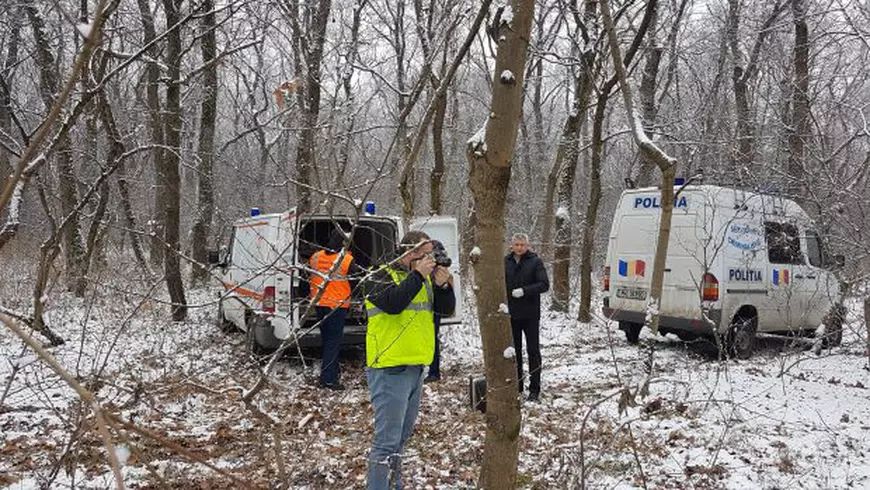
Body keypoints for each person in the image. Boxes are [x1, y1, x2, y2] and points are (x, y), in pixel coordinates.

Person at [362, 230, 455, 490]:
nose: (430, 260)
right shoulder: (377, 274)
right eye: (425, 255)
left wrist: (443, 286)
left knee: (400, 440)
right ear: (409, 253)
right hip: (390, 367)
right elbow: (393, 304)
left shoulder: (422, 279)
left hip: (415, 368)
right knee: (386, 443)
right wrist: (418, 275)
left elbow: (445, 311)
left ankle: (394, 485)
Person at [308, 227, 357, 391]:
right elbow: (356, 282)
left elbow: (307, 277)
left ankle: (331, 372)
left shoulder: (315, 257)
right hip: (337, 306)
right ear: (344, 242)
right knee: (333, 343)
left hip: (319, 304)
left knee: (327, 341)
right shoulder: (346, 260)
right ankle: (329, 379)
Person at [504, 233, 549, 402]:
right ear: (512, 245)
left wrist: (524, 291)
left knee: (533, 351)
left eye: (522, 244)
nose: (519, 247)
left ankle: (534, 389)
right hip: (512, 314)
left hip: (530, 314)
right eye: (516, 244)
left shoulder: (535, 262)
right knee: (514, 352)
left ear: (527, 245)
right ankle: (517, 386)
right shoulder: (505, 262)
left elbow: (544, 284)